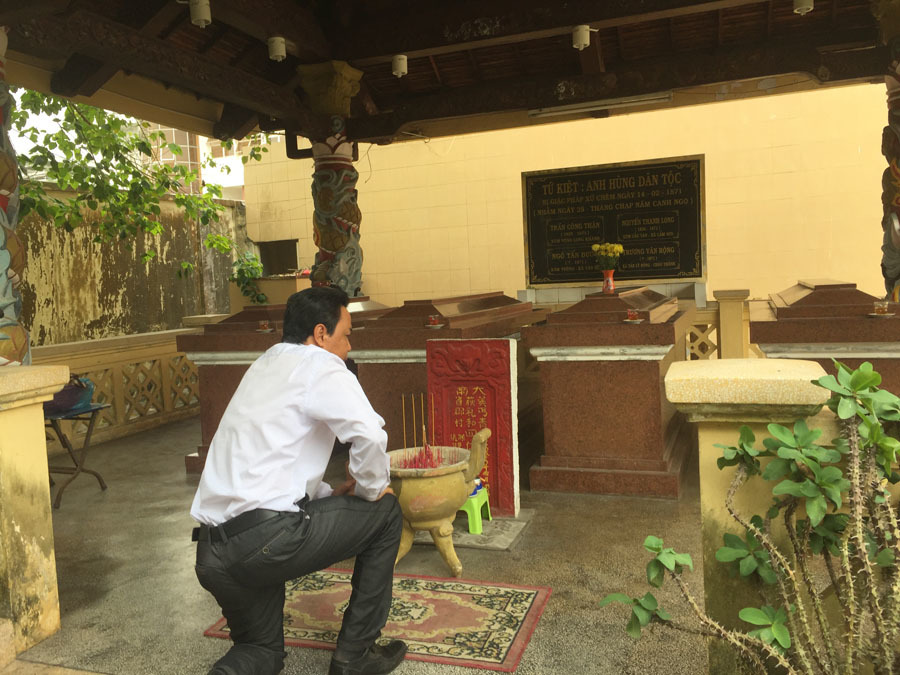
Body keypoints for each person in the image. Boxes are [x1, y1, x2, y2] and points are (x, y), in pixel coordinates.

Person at [191, 286, 406, 675]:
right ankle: (355, 656)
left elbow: (272, 460)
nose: (349, 347)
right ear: (321, 333)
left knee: (261, 651)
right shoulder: (320, 365)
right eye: (346, 335)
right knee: (387, 512)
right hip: (265, 541)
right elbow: (370, 436)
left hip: (213, 553)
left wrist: (329, 493)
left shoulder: (265, 364)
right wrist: (372, 489)